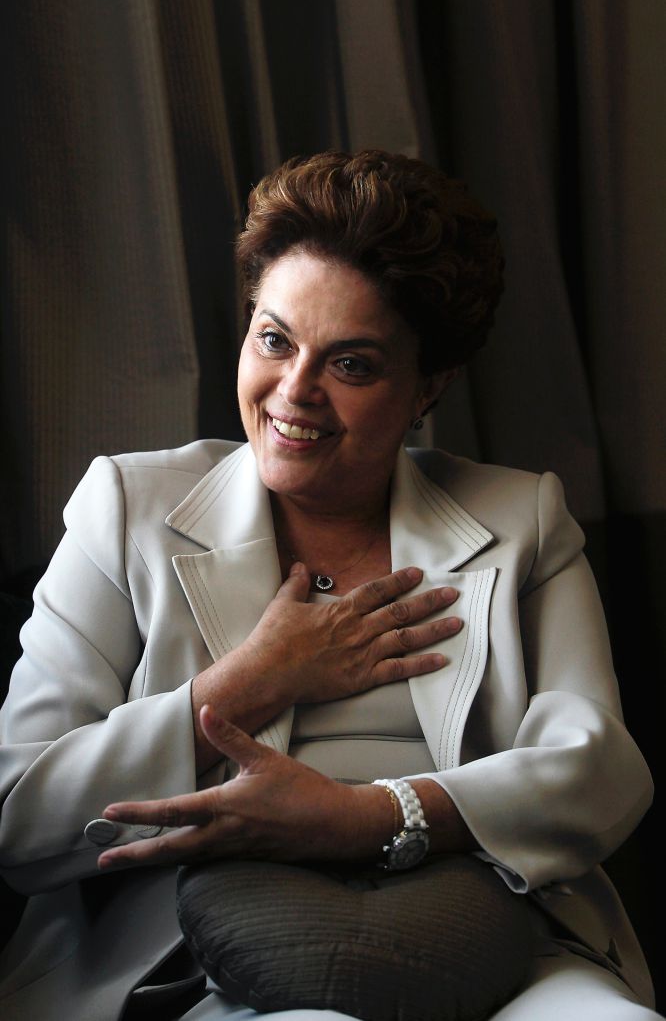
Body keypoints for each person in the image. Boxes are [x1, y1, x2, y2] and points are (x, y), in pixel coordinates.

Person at [0, 150, 658, 1020]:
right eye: (275, 340)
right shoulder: (127, 508)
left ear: (428, 386)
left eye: (352, 365)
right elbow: (19, 815)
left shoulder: (520, 518)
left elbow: (598, 773)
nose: (295, 392)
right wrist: (255, 677)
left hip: (488, 932)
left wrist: (370, 817)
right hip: (198, 954)